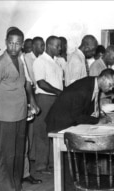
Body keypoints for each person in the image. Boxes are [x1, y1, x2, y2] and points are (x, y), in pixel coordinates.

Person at [0, 28, 38, 191]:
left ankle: (17, 188)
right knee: (5, 158)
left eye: (17, 43)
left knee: (18, 155)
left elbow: (23, 85)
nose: (14, 47)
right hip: (4, 117)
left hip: (20, 115)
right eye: (10, 43)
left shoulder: (20, 61)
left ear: (22, 45)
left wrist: (29, 106)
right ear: (6, 42)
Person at [46, 68, 114, 133]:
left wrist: (100, 116)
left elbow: (89, 108)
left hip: (69, 121)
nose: (111, 88)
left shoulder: (95, 84)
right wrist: (97, 120)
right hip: (59, 123)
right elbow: (77, 116)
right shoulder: (83, 89)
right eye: (110, 85)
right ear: (103, 78)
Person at [32, 35, 63, 174]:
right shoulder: (40, 61)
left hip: (55, 99)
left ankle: (51, 163)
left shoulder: (56, 62)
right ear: (49, 46)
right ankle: (41, 166)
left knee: (52, 131)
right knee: (42, 132)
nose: (60, 48)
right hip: (44, 98)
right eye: (57, 46)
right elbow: (41, 83)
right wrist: (58, 92)